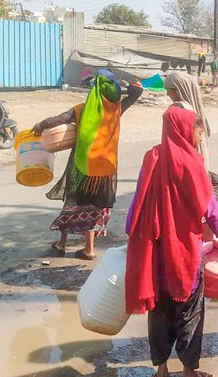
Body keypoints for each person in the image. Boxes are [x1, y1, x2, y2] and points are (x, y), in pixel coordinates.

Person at [125, 106, 218, 377]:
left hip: (154, 256)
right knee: (190, 313)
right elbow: (210, 208)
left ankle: (162, 375)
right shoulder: (191, 162)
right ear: (183, 129)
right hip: (184, 255)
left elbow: (136, 204)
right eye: (199, 128)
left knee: (159, 312)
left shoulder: (151, 156)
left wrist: (133, 238)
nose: (201, 134)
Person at [33, 70, 142, 260]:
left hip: (82, 166)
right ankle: (89, 248)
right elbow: (136, 92)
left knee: (72, 202)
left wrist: (39, 125)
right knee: (95, 206)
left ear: (94, 89)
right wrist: (121, 88)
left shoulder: (81, 109)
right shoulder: (117, 108)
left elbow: (56, 120)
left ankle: (62, 243)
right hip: (105, 168)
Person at [164, 71, 212, 170]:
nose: (167, 94)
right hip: (198, 161)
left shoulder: (177, 111)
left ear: (178, 90)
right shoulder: (195, 109)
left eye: (169, 90)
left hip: (185, 164)